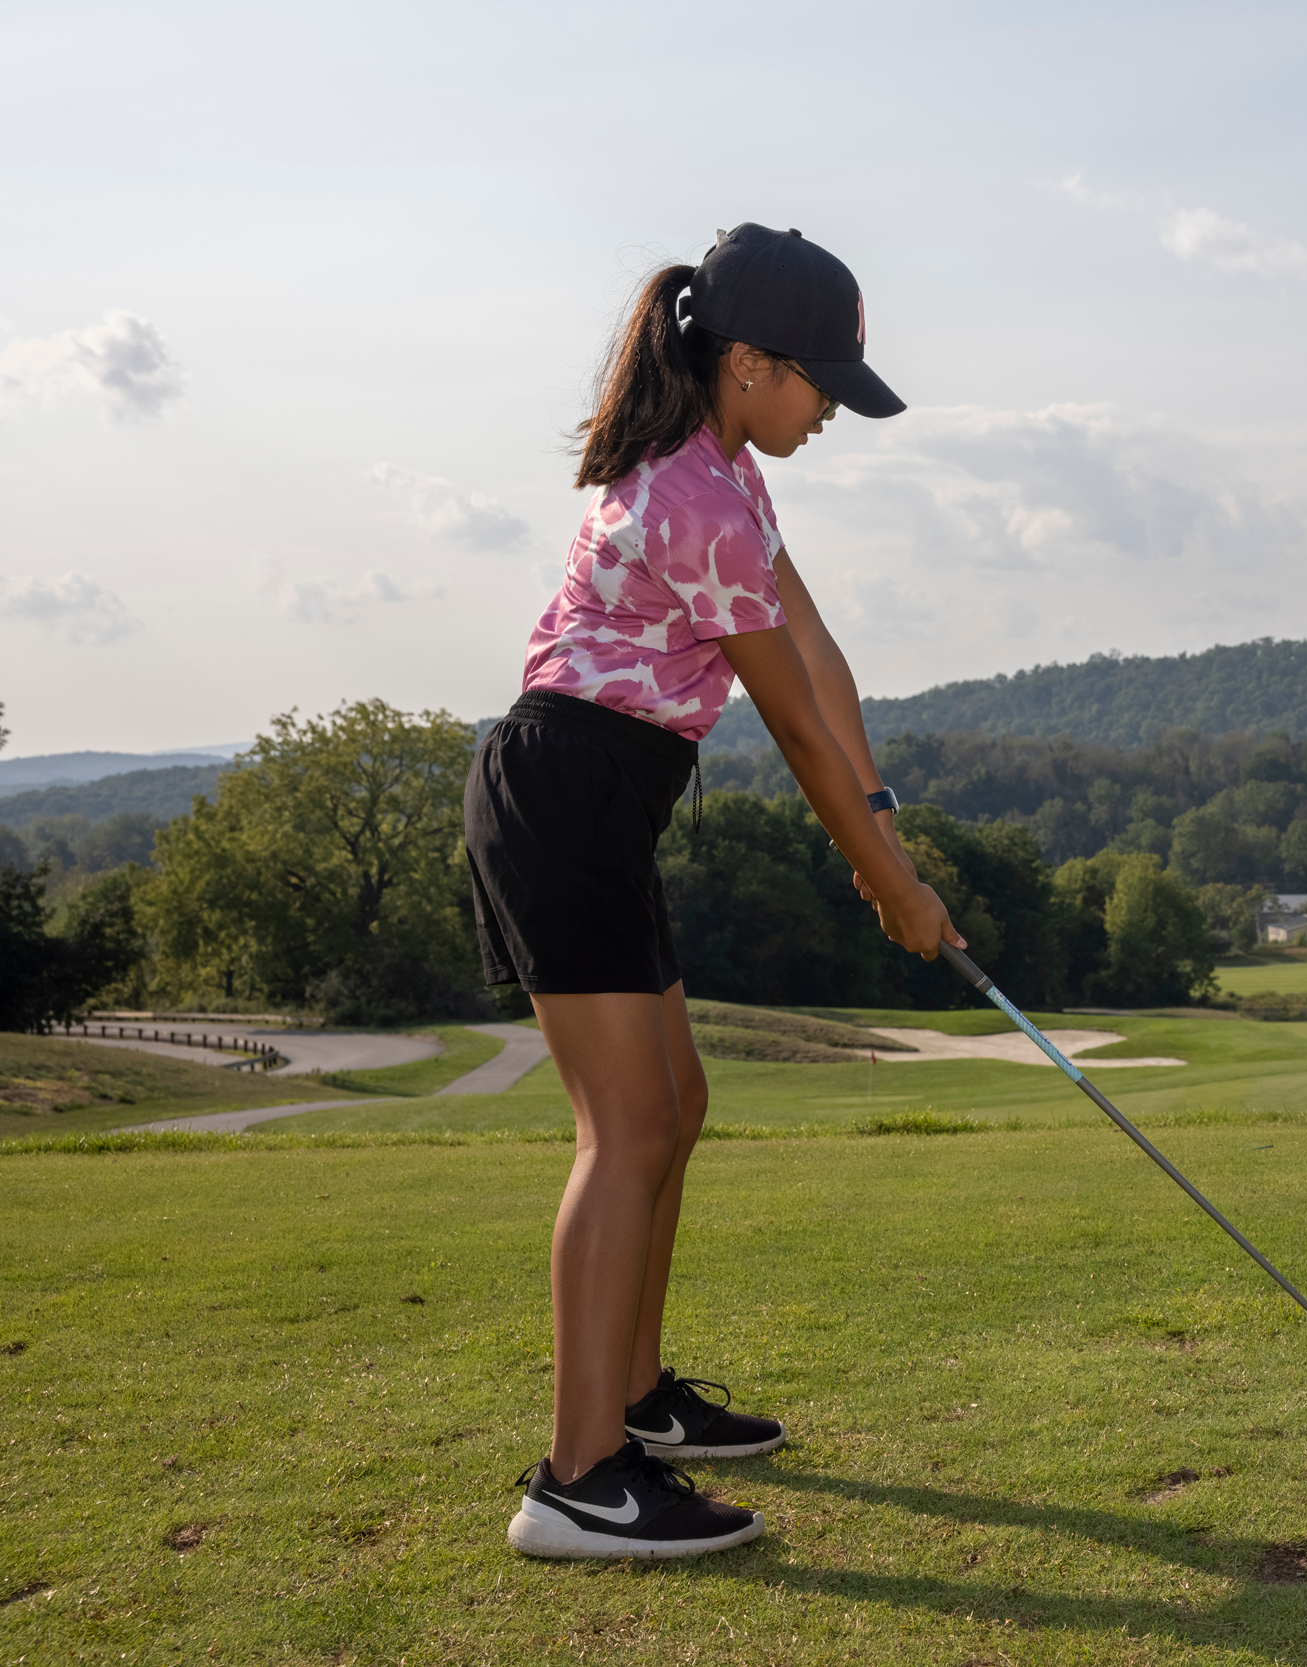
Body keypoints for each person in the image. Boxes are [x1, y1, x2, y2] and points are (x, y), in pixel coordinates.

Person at [466, 226, 960, 1561]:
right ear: (748, 366)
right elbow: (792, 728)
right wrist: (891, 888)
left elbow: (819, 659)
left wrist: (889, 830)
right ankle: (578, 1477)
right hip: (563, 790)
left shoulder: (729, 481)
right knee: (623, 1128)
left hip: (607, 800)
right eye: (821, 386)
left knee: (678, 1102)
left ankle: (636, 1399)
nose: (830, 416)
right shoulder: (691, 497)